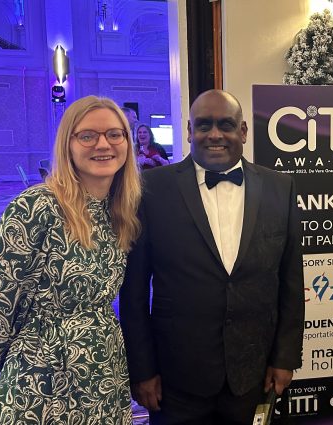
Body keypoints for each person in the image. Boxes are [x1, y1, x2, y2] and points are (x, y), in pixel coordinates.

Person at [120, 89, 304, 425]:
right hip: (175, 380)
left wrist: (285, 358)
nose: (215, 134)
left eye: (226, 125)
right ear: (189, 132)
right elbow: (132, 292)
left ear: (244, 131)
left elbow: (291, 282)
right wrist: (142, 370)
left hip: (253, 374)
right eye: (203, 126)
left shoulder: (281, 187)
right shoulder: (151, 189)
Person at [0, 96, 141, 424]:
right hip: (41, 381)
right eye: (87, 135)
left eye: (114, 134)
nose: (103, 144)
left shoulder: (119, 211)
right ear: (68, 144)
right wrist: (28, 363)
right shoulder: (35, 207)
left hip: (103, 373)